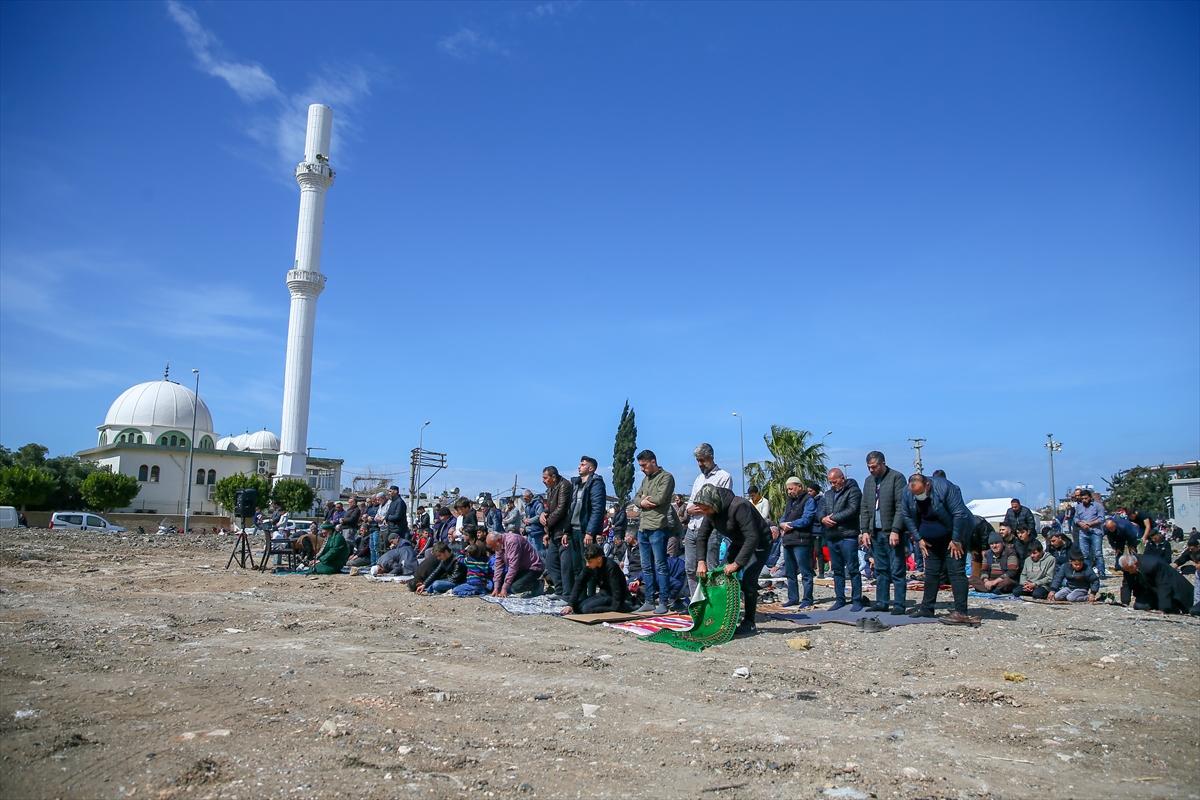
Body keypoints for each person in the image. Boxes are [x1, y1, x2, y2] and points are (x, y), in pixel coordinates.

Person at [898, 473, 977, 625]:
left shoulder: (945, 487)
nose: (918, 496)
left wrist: (956, 539)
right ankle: (927, 608)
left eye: (920, 493)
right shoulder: (907, 492)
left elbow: (959, 514)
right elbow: (907, 516)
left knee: (956, 571)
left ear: (927, 485)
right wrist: (919, 539)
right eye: (915, 494)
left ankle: (961, 612)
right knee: (931, 572)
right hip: (929, 539)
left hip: (954, 535)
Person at [692, 483, 769, 636]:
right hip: (739, 542)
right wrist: (701, 561)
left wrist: (737, 564)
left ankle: (749, 622)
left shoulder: (739, 506)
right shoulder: (711, 512)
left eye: (706, 509)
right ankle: (724, 617)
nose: (705, 513)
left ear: (713, 503)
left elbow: (752, 537)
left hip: (759, 543)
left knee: (748, 581)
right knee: (721, 576)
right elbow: (702, 536)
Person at [858, 451, 908, 614]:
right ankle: (882, 601)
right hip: (875, 532)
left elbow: (901, 506)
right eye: (869, 467)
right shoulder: (868, 481)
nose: (871, 470)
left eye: (874, 467)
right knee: (880, 569)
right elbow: (865, 507)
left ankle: (899, 604)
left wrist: (896, 529)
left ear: (882, 463)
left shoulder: (896, 478)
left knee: (897, 569)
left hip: (892, 532)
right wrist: (864, 530)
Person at [684, 443, 734, 595]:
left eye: (702, 460)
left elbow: (719, 505)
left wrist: (699, 508)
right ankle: (696, 601)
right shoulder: (699, 479)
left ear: (711, 457)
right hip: (692, 528)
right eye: (698, 460)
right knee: (690, 568)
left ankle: (713, 602)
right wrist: (700, 507)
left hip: (711, 529)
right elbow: (689, 507)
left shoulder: (724, 477)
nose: (700, 464)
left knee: (710, 567)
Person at [631, 450, 676, 615]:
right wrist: (643, 501)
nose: (642, 469)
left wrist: (644, 499)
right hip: (643, 527)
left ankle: (663, 601)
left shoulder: (666, 477)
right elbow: (636, 498)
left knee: (661, 566)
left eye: (644, 465)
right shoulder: (645, 480)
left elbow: (660, 498)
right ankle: (649, 600)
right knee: (646, 566)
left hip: (657, 527)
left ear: (653, 461)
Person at [820, 467, 864, 611]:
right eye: (830, 482)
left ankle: (856, 599)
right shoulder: (827, 494)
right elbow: (820, 510)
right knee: (837, 570)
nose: (833, 485)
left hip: (848, 535)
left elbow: (852, 510)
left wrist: (832, 518)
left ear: (842, 479)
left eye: (834, 482)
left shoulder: (853, 491)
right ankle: (840, 599)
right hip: (832, 537)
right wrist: (822, 518)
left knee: (853, 569)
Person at [564, 456, 607, 601]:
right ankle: (580, 598)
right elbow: (571, 509)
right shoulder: (576, 484)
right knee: (577, 567)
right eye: (579, 464)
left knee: (589, 565)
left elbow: (597, 509)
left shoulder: (596, 483)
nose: (579, 467)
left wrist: (590, 532)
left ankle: (591, 597)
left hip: (586, 532)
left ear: (591, 468)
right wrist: (566, 531)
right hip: (574, 530)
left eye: (582, 464)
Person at [778, 477, 820, 609]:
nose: (789, 491)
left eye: (791, 488)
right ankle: (793, 598)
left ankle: (807, 598)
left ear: (799, 486)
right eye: (788, 489)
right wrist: (782, 524)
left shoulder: (809, 500)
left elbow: (807, 519)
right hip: (788, 540)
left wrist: (790, 525)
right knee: (790, 572)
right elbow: (783, 517)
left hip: (801, 540)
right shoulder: (790, 502)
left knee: (805, 572)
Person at [560, 544, 632, 615]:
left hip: (614, 597)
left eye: (589, 562)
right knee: (576, 607)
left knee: (586, 609)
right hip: (603, 594)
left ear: (599, 559)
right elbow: (579, 583)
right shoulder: (591, 566)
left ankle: (627, 606)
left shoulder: (611, 567)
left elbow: (617, 591)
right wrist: (570, 604)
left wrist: (614, 609)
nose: (587, 564)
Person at [1118, 552, 1198, 615]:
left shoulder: (1151, 565)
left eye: (1129, 570)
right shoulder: (1128, 569)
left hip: (1172, 588)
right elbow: (1127, 584)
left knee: (1188, 609)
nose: (1129, 572)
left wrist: (1163, 608)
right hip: (1150, 590)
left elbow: (1164, 585)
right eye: (1126, 570)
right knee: (1139, 606)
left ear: (1134, 564)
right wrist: (1125, 602)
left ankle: (1171, 607)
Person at [539, 466, 572, 597]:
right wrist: (543, 513)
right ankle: (559, 590)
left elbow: (561, 509)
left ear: (553, 477)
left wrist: (547, 523)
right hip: (554, 532)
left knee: (565, 566)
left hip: (563, 531)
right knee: (551, 563)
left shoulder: (564, 485)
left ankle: (566, 593)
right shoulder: (551, 489)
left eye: (545, 478)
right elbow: (551, 508)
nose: (543, 481)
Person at [486, 530, 545, 597]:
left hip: (533, 568)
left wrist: (504, 588)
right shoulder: (499, 546)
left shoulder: (512, 541)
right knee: (500, 583)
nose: (493, 550)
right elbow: (498, 566)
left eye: (493, 546)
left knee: (515, 588)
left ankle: (537, 584)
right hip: (521, 569)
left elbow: (513, 566)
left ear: (498, 540)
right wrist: (496, 587)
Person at [1073, 490, 1105, 578]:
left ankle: (1101, 572)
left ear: (1090, 498)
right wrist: (1081, 524)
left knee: (1098, 553)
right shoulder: (1079, 507)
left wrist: (1089, 524)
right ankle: (1088, 573)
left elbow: (1101, 519)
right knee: (1084, 554)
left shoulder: (1098, 506)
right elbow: (1076, 519)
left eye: (1086, 498)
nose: (1084, 500)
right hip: (1083, 533)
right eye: (1082, 498)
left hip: (1095, 532)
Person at [521, 489, 545, 558]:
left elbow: (539, 516)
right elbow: (525, 517)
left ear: (530, 496)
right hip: (529, 531)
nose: (524, 500)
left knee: (538, 551)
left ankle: (542, 567)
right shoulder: (527, 506)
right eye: (524, 498)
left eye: (526, 498)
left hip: (537, 531)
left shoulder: (538, 504)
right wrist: (523, 526)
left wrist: (528, 521)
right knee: (531, 551)